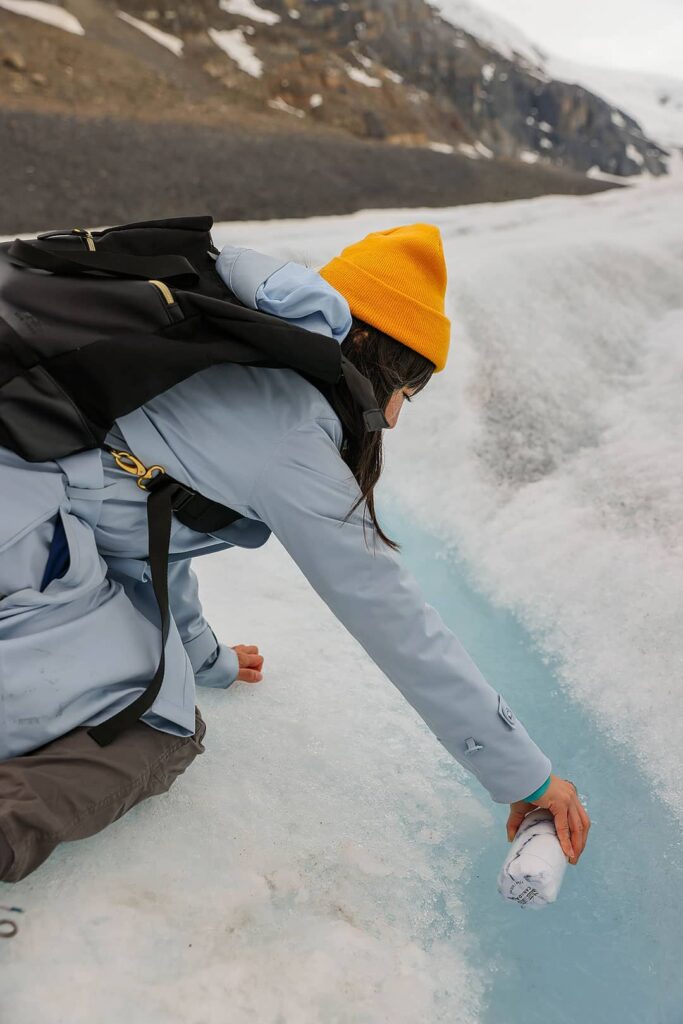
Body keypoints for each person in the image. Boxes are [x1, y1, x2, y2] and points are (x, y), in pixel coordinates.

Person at [0, 224, 590, 883]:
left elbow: (147, 526)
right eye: (408, 386)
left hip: (28, 521)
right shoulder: (290, 430)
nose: (393, 417)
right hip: (18, 535)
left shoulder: (219, 348)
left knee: (144, 686)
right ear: (368, 348)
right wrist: (526, 776)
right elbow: (389, 612)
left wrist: (205, 659)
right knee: (154, 734)